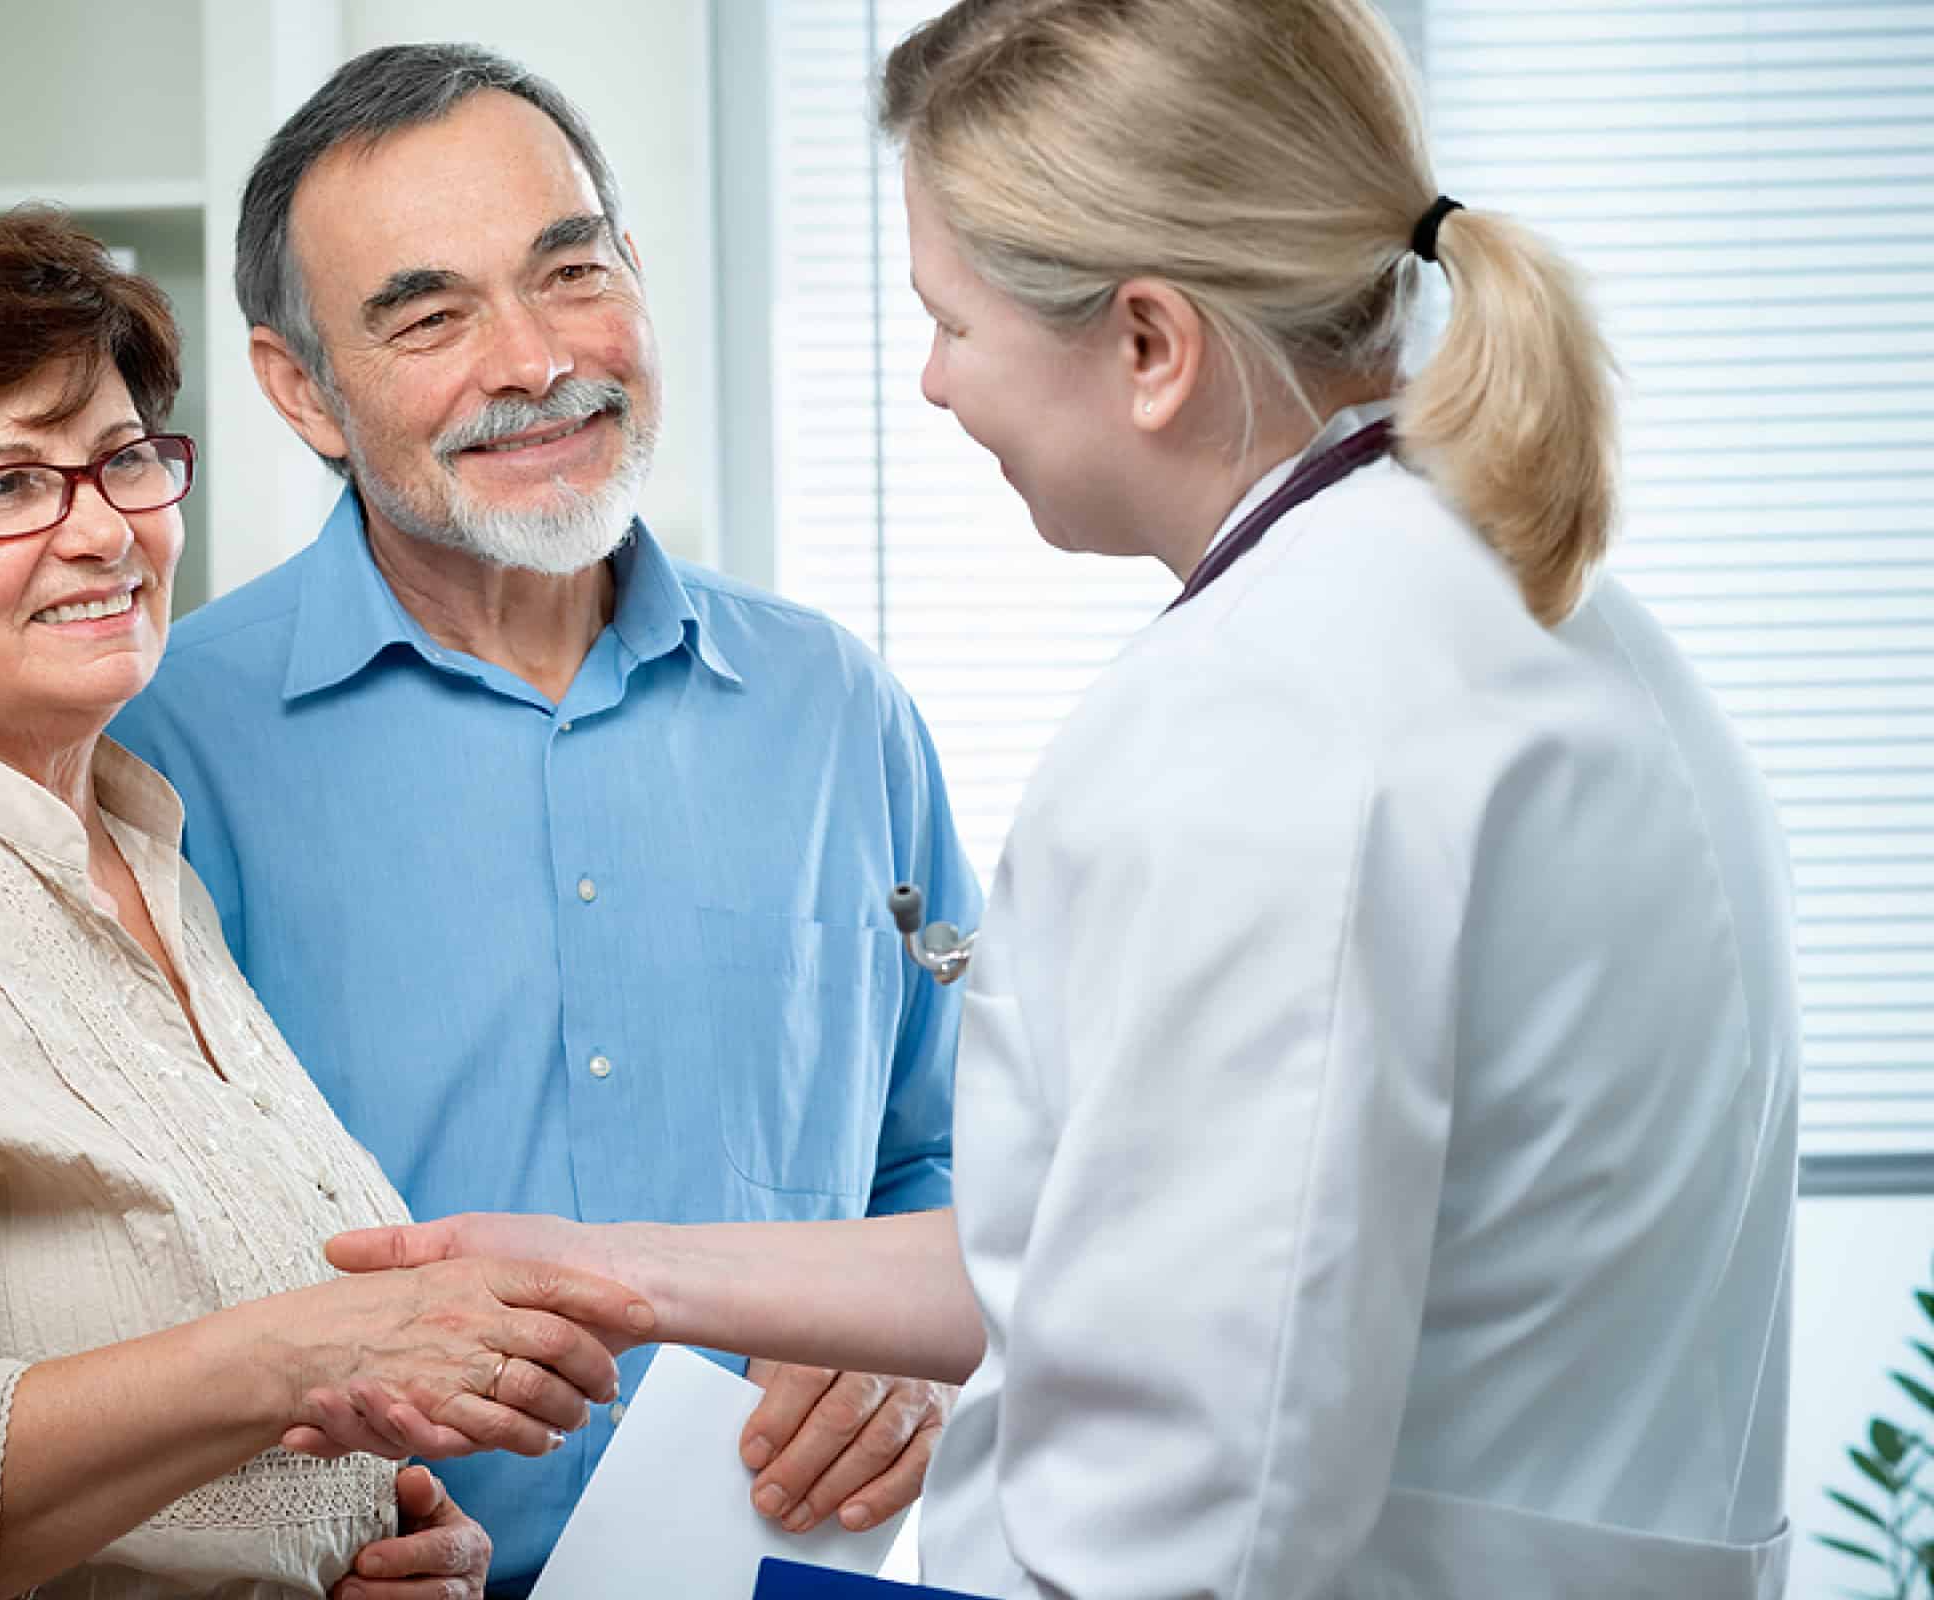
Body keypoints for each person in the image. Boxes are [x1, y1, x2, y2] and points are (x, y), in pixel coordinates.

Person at [317, 1, 1803, 1595]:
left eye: (951, 320)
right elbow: (1095, 1243)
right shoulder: (1515, 606)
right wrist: (606, 1270)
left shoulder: (1267, 718)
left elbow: (1184, 1499)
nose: (936, 383)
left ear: (1149, 349)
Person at [0, 209, 656, 1600]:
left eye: (120, 462)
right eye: (2, 490)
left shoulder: (138, 850)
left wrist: (350, 1545)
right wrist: (307, 1351)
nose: (102, 532)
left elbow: (169, 1464)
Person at [107, 44, 981, 1593]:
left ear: (636, 274)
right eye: (431, 316)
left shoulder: (841, 712)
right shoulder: (158, 753)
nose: (531, 361)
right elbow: (110, 1288)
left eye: (570, 272)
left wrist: (904, 1359)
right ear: (300, 386)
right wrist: (251, 1541)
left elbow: (954, 1161)